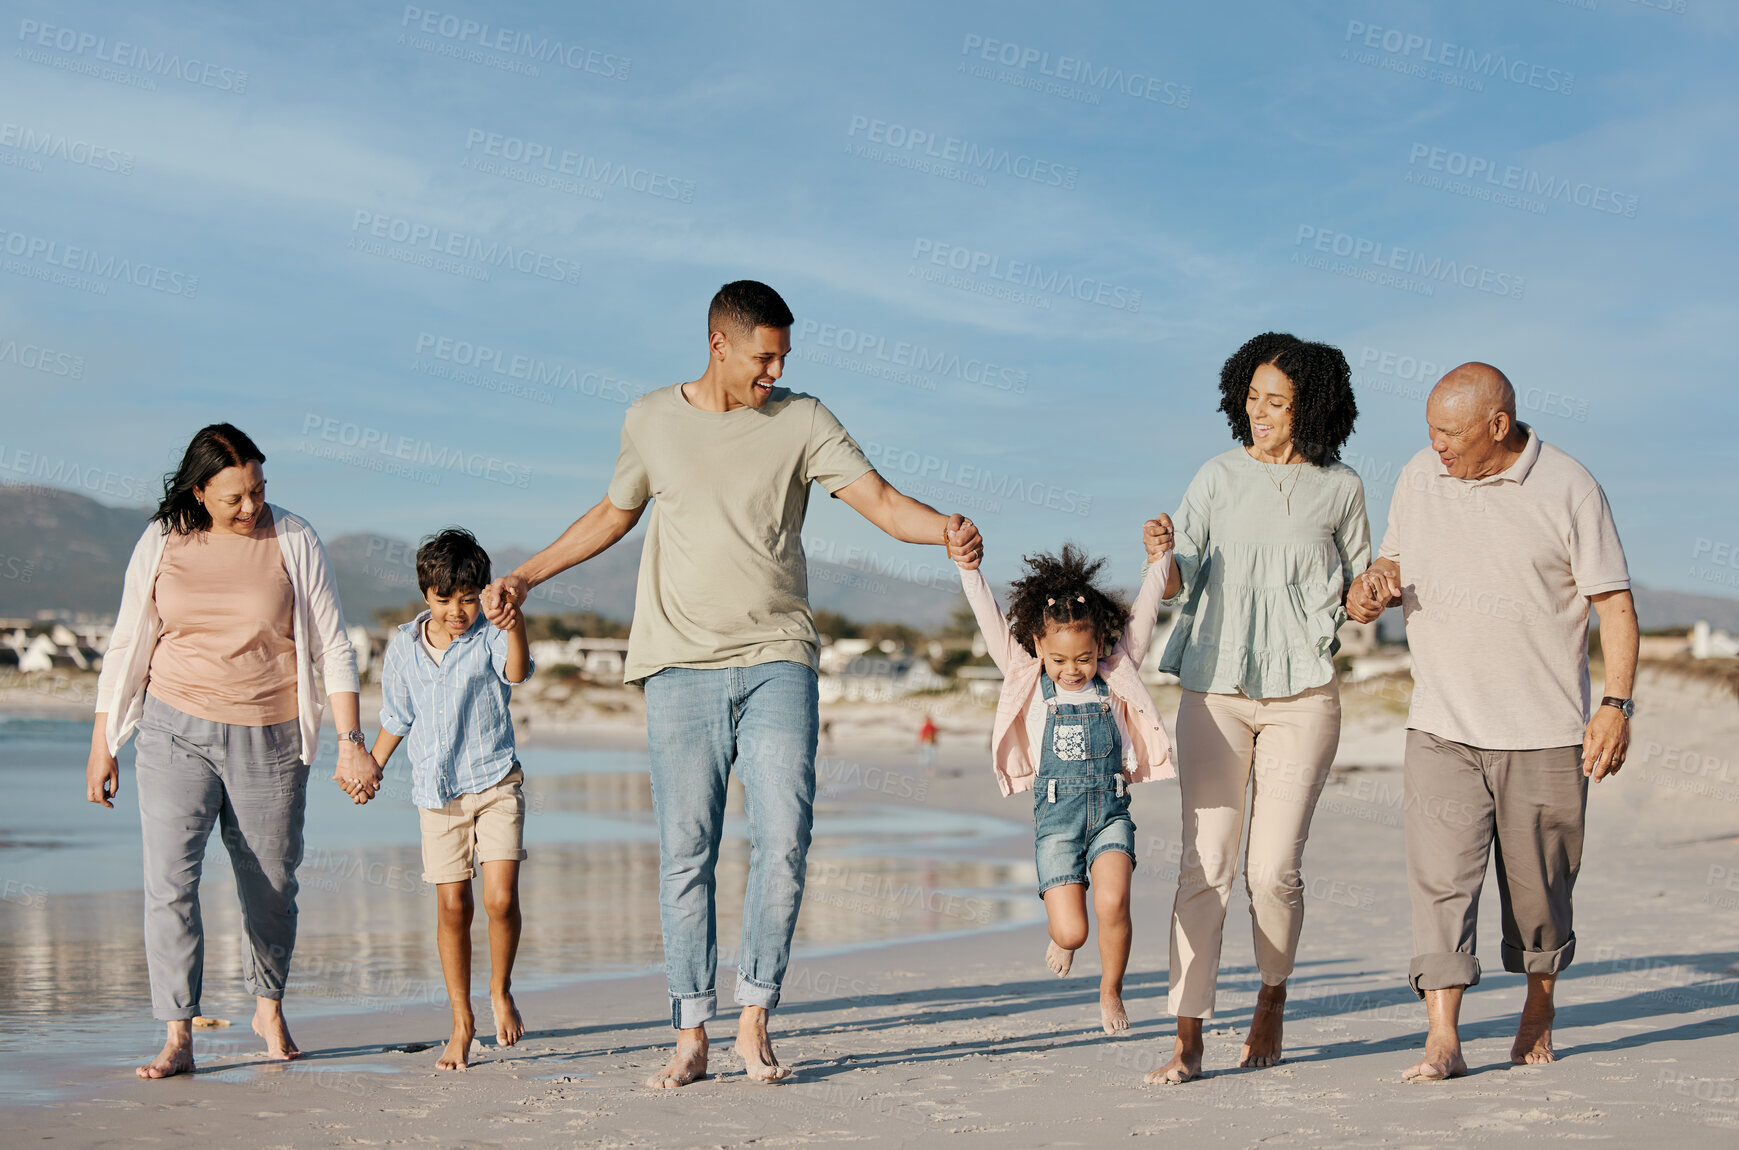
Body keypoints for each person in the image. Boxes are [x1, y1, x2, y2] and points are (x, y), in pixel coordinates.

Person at [480, 280, 982, 1087]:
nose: (774, 372)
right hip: (678, 666)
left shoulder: (802, 419)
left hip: (778, 656)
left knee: (783, 838)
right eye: (763, 356)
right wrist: (528, 576)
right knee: (687, 853)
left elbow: (882, 503)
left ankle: (754, 1017)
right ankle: (689, 1031)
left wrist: (946, 529)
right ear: (719, 343)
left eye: (782, 357)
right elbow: (613, 514)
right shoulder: (649, 419)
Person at [1346, 362, 1636, 1081]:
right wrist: (1371, 586)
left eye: (1449, 432)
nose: (1435, 446)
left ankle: (1537, 1005)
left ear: (1497, 426)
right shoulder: (1420, 475)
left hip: (1543, 730)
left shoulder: (1569, 488)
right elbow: (1390, 559)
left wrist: (1614, 705)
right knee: (1440, 882)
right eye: (1429, 431)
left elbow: (1614, 606)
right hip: (1441, 723)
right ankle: (1441, 1033)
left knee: (1540, 894)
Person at [84, 423, 376, 1079]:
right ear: (199, 489)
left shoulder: (292, 536)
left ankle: (267, 1005)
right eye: (235, 497)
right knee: (169, 885)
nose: (251, 507)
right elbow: (128, 641)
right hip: (171, 729)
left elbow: (333, 645)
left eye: (259, 490)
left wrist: (351, 743)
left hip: (270, 735)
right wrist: (102, 742)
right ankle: (177, 1033)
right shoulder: (163, 539)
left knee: (270, 886)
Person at [1143, 333, 1369, 1084]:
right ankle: (1187, 1032)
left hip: (1302, 697)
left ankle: (1271, 995)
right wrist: (1161, 556)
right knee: (1204, 866)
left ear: (1313, 405)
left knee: (1272, 872)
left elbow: (1364, 584)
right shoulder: (1215, 477)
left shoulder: (1342, 487)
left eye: (1277, 402)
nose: (1260, 414)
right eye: (1251, 399)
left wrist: (1373, 591)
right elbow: (1179, 575)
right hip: (1214, 691)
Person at [951, 541, 1175, 1035]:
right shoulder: (1026, 677)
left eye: (1084, 657)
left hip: (1111, 811)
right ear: (1036, 644)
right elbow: (990, 620)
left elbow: (1144, 615)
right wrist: (970, 571)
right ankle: (1064, 939)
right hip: (1057, 822)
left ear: (1100, 647)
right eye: (1058, 659)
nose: (1072, 669)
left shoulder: (1118, 674)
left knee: (1114, 902)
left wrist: (1159, 560)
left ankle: (1110, 989)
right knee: (1071, 930)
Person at [353, 528, 533, 1070]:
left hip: (497, 782)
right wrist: (372, 767)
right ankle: (461, 1021)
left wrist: (515, 623)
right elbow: (397, 718)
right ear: (424, 594)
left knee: (500, 899)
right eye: (445, 599)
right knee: (454, 906)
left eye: (469, 597)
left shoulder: (491, 634)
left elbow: (518, 672)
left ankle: (500, 989)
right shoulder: (404, 646)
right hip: (436, 794)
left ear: (482, 591)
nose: (458, 610)